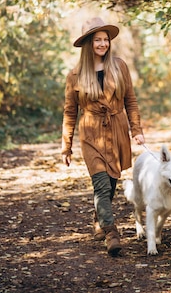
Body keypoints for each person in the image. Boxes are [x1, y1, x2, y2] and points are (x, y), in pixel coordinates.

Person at [61, 17, 145, 256]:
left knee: (110, 183)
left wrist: (136, 130)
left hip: (116, 129)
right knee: (100, 182)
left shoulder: (119, 66)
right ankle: (111, 233)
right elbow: (69, 112)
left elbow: (131, 101)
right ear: (88, 43)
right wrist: (66, 146)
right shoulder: (75, 75)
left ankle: (99, 216)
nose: (102, 44)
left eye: (105, 39)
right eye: (97, 40)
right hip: (90, 132)